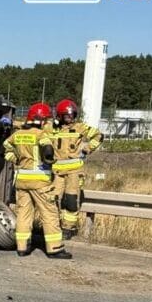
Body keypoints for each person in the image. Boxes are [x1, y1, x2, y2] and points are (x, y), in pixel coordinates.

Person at [3, 102, 71, 259]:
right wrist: (48, 159)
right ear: (40, 119)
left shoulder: (17, 134)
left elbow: (5, 148)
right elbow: (47, 148)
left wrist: (17, 160)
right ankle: (55, 249)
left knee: (24, 214)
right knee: (49, 213)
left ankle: (22, 247)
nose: (48, 122)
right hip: (40, 181)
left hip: (21, 181)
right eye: (46, 119)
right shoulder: (40, 135)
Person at [49, 99, 102, 238]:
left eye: (72, 115)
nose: (70, 118)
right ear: (60, 116)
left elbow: (98, 135)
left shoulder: (80, 127)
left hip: (74, 171)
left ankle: (68, 229)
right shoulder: (52, 128)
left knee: (71, 201)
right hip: (57, 172)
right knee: (53, 200)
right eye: (67, 116)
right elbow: (35, 132)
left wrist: (87, 149)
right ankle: (53, 226)